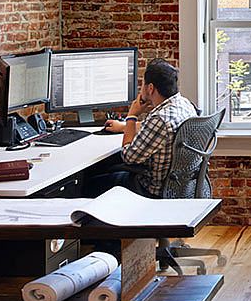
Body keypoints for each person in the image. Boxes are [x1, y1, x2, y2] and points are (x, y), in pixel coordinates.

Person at [84, 58, 198, 198]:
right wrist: (123, 127)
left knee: (87, 184)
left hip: (152, 190)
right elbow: (156, 131)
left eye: (143, 83)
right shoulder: (184, 105)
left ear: (150, 88)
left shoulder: (160, 119)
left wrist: (132, 115)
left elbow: (128, 157)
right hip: (179, 186)